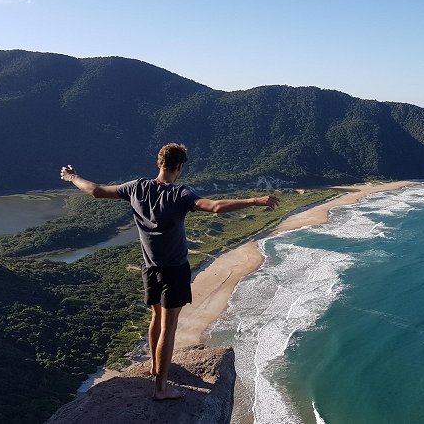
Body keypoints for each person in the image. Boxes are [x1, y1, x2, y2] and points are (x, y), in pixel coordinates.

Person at [60, 143, 279, 400]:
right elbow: (216, 206)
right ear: (180, 167)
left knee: (156, 318)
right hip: (174, 270)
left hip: (149, 266)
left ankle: (155, 366)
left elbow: (96, 191)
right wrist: (255, 200)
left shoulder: (137, 187)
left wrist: (73, 177)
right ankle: (161, 388)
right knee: (169, 326)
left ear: (159, 162)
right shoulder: (180, 194)